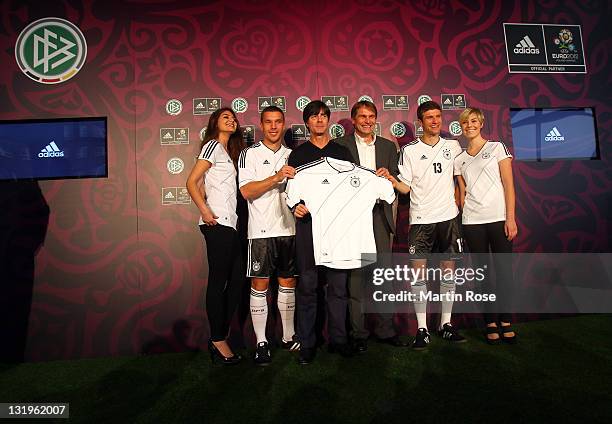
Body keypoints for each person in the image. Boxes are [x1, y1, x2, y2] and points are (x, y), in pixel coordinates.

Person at [387, 100, 466, 350]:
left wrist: (461, 198)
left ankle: (446, 324)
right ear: (420, 122)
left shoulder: (453, 146)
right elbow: (406, 187)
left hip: (448, 217)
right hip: (421, 219)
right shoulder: (409, 150)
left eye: (438, 117)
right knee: (418, 275)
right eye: (429, 117)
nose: (435, 121)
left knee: (448, 272)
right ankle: (422, 328)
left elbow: (460, 178)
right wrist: (390, 179)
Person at [333, 100, 407, 352]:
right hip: (352, 219)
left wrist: (390, 177)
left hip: (379, 216)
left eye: (371, 116)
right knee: (356, 279)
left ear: (376, 119)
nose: (366, 120)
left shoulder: (388, 146)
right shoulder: (340, 145)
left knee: (383, 276)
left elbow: (398, 181)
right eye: (361, 116)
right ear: (353, 120)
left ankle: (386, 330)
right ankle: (359, 333)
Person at [287, 100, 354, 364]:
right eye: (314, 117)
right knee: (308, 286)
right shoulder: (297, 155)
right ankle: (307, 342)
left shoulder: (342, 152)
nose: (319, 120)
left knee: (338, 287)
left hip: (338, 229)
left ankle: (339, 339)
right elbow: (290, 193)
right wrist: (295, 206)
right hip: (308, 229)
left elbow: (352, 189)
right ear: (306, 123)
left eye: (324, 116)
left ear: (328, 121)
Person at [238, 106, 300, 366]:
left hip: (290, 230)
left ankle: (288, 336)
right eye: (268, 122)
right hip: (261, 232)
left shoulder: (294, 154)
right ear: (261, 125)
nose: (274, 127)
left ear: (284, 124)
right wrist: (276, 177)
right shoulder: (249, 154)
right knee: (260, 285)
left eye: (278, 122)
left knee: (288, 282)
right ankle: (262, 341)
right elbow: (246, 191)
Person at [186, 107, 246, 365]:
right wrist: (205, 211)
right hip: (217, 224)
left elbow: (206, 184)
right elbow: (191, 182)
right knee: (219, 281)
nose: (231, 120)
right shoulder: (211, 146)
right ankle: (218, 339)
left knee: (236, 281)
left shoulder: (227, 153)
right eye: (225, 117)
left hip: (230, 225)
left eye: (233, 118)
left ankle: (220, 334)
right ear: (214, 123)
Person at [454, 107, 518, 344]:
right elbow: (462, 193)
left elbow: (509, 185)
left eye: (473, 121)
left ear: (481, 124)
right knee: (483, 275)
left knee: (503, 272)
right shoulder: (458, 159)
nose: (469, 125)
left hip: (499, 218)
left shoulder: (496, 148)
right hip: (472, 221)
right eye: (464, 123)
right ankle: (490, 320)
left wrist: (510, 218)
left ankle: (506, 320)